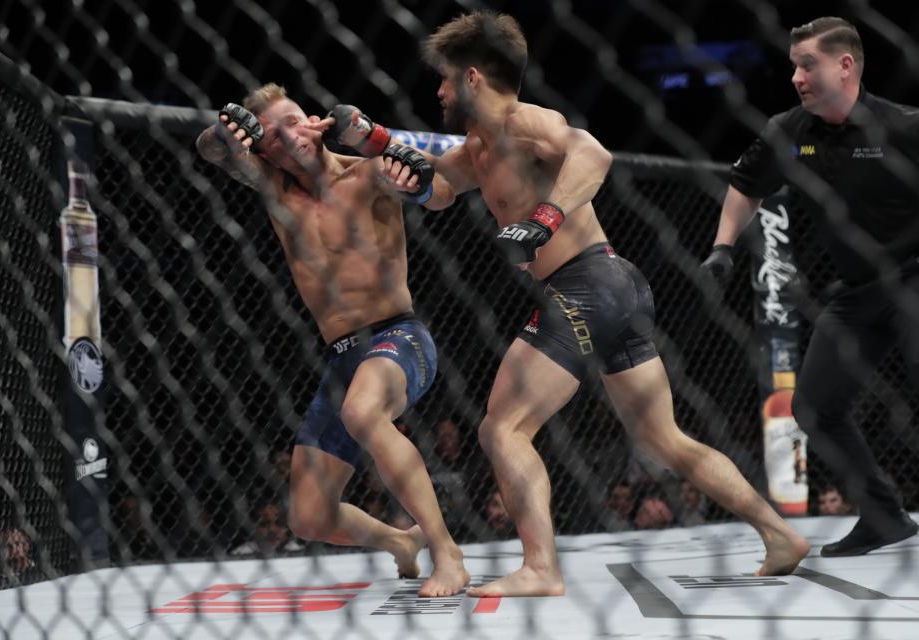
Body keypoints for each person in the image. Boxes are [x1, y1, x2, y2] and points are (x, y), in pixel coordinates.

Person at [317, 11, 809, 597]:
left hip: (587, 284)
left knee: (503, 428)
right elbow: (439, 190)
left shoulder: (528, 122)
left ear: (473, 77)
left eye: (446, 79)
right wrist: (375, 144)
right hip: (613, 287)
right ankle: (779, 534)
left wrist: (547, 219)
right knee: (662, 439)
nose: (439, 91)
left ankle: (542, 568)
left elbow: (594, 156)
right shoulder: (480, 146)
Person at [195, 84, 469, 596]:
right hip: (341, 359)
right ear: (263, 149)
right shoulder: (275, 190)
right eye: (273, 134)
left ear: (316, 120)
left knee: (364, 413)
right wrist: (227, 135)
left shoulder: (368, 174)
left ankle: (446, 551)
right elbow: (210, 150)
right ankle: (399, 542)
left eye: (295, 120)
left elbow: (444, 193)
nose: (290, 136)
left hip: (400, 337)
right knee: (308, 516)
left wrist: (413, 178)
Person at [701, 17, 919, 556]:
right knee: (813, 407)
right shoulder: (790, 130)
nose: (796, 76)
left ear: (845, 66)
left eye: (807, 65)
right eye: (793, 66)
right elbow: (745, 184)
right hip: (857, 291)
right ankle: (883, 518)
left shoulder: (904, 126)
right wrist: (723, 248)